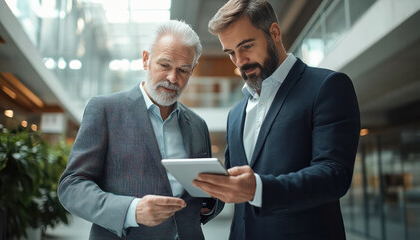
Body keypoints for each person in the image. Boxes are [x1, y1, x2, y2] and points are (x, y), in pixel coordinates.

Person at [192, 0, 361, 239]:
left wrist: (259, 188)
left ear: (274, 33)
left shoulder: (326, 87)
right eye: (231, 53)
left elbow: (333, 175)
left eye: (246, 46)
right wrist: (205, 198)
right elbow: (236, 183)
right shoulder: (235, 114)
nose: (240, 61)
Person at [58, 20, 223, 240]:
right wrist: (132, 210)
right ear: (146, 60)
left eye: (183, 70)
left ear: (192, 71)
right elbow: (72, 186)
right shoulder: (105, 110)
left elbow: (204, 197)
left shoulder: (198, 125)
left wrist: (210, 203)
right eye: (165, 65)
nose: (173, 78)